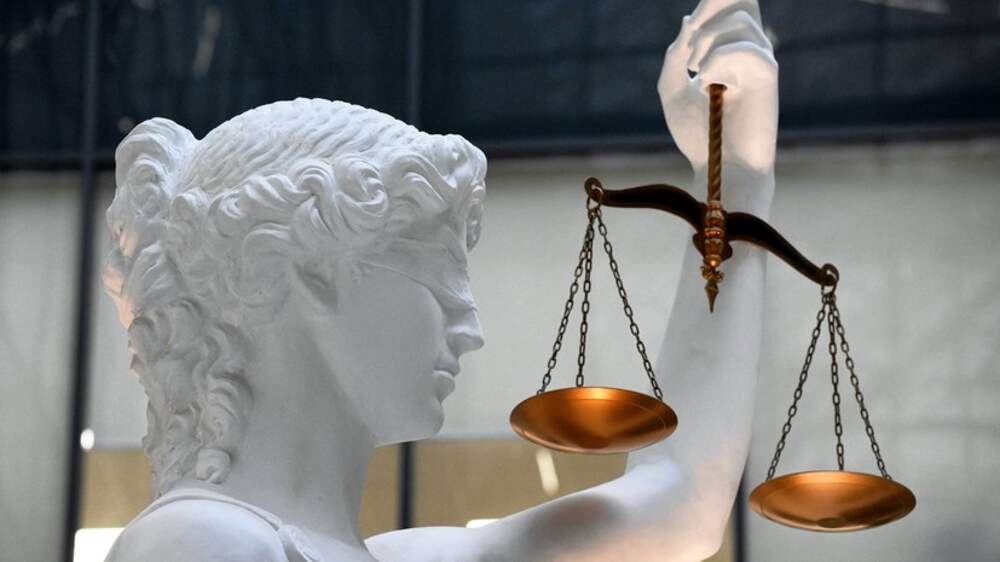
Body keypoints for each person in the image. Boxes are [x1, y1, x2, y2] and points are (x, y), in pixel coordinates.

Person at [105, 0, 777, 560]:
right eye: (435, 278)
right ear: (303, 272)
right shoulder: (200, 541)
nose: (468, 329)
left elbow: (678, 505)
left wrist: (737, 181)